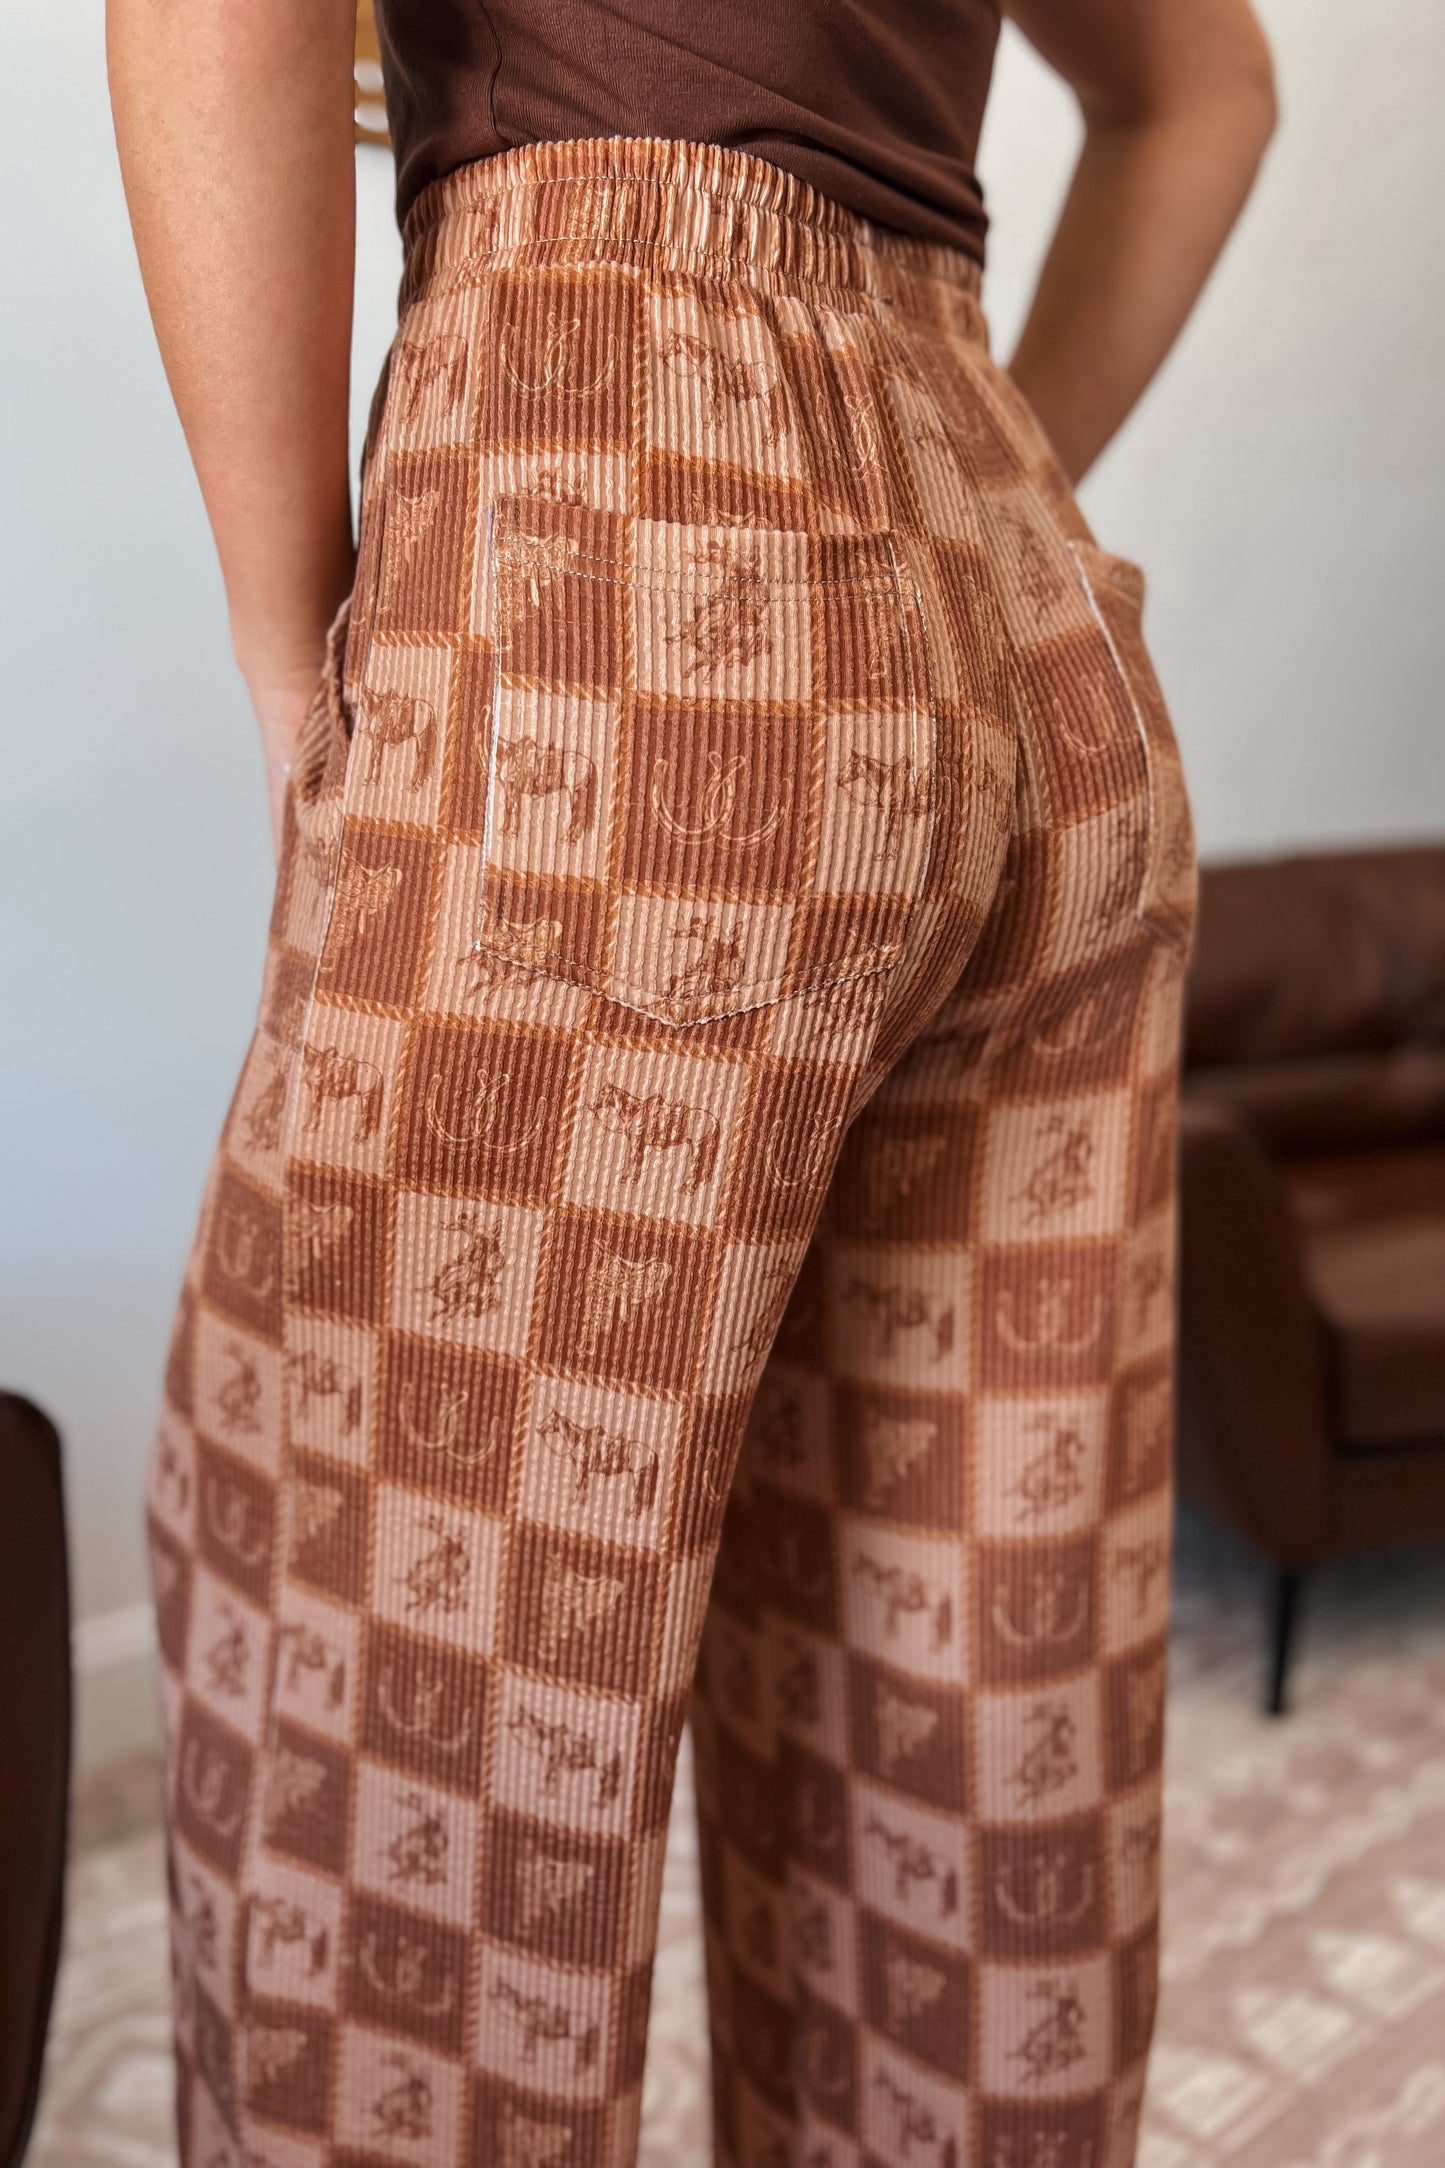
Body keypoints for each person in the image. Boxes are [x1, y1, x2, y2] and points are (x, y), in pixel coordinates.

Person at [107, 0, 1274, 2161]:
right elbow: (1208, 92)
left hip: (619, 539)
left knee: (401, 1741)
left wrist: (295, 669)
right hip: (1032, 645)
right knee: (959, 1712)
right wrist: (957, 488)